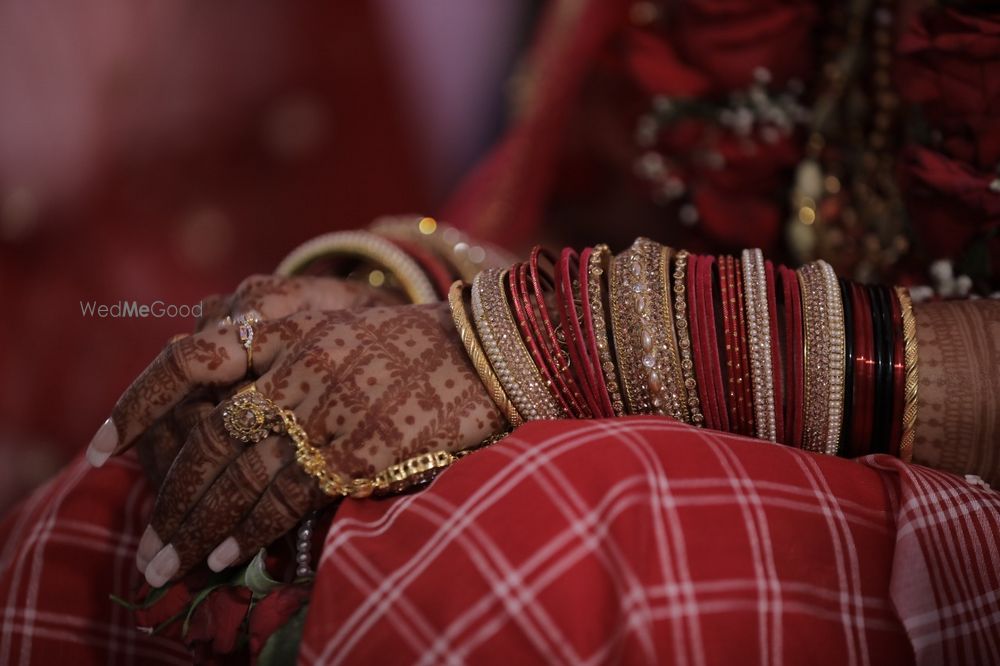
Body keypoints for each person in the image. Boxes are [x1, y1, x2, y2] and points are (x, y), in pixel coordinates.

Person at [3, 1, 1000, 664]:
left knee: (524, 546)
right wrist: (395, 306)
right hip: (708, 405)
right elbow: (603, 218)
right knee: (118, 508)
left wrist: (541, 345)